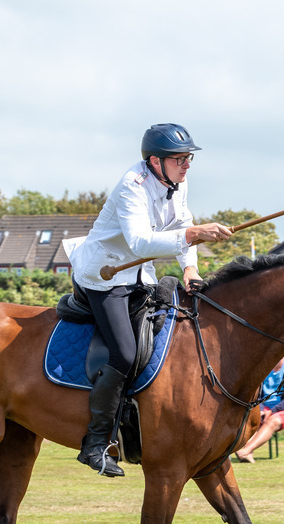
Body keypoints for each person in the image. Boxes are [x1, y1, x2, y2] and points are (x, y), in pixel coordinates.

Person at [68, 123, 232, 477]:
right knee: (125, 353)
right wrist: (193, 234)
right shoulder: (132, 185)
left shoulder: (178, 183)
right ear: (155, 162)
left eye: (189, 157)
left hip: (142, 277)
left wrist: (189, 268)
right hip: (104, 276)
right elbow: (141, 242)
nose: (187, 164)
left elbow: (183, 221)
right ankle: (96, 444)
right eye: (179, 158)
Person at [235, 358, 284, 463]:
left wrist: (273, 411)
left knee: (272, 420)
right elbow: (256, 393)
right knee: (251, 418)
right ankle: (244, 453)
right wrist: (261, 409)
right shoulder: (264, 368)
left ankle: (246, 451)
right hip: (264, 407)